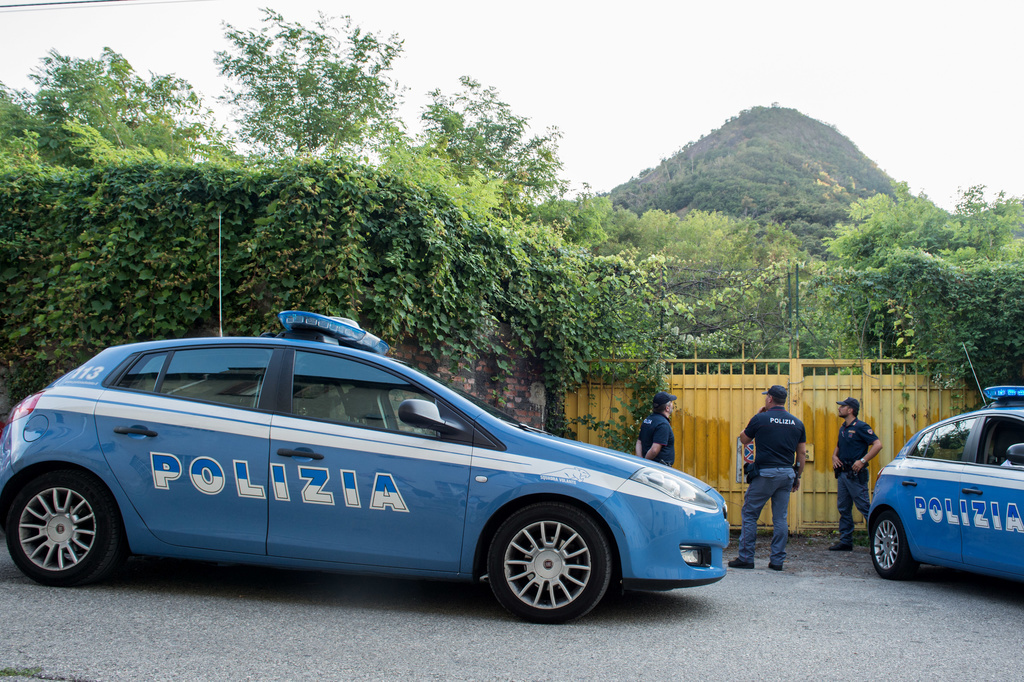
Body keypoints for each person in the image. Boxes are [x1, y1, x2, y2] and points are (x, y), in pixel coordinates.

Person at [728, 385, 806, 571]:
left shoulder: (760, 419)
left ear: (770, 399)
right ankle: (777, 561)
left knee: (749, 514)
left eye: (766, 397)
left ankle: (746, 558)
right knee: (780, 518)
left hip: (765, 473)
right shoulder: (797, 423)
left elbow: (744, 439)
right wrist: (797, 476)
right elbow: (802, 453)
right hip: (787, 473)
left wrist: (755, 416)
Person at [829, 396, 882, 551]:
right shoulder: (843, 428)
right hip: (843, 474)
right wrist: (834, 456)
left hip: (855, 475)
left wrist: (863, 460)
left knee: (865, 507)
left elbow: (878, 445)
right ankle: (846, 541)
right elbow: (839, 445)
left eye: (842, 406)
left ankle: (877, 544)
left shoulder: (861, 427)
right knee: (843, 508)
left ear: (850, 410)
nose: (839, 408)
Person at [635, 391, 677, 466]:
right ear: (667, 408)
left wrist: (640, 459)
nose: (672, 405)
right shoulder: (663, 425)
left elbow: (639, 442)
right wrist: (644, 463)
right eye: (671, 403)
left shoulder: (647, 420)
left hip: (651, 467)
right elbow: (654, 450)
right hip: (659, 469)